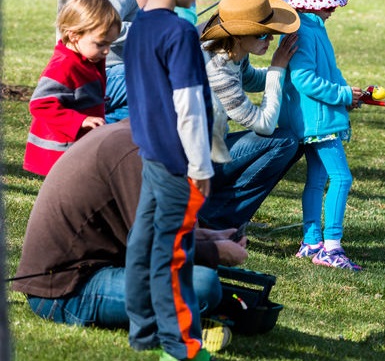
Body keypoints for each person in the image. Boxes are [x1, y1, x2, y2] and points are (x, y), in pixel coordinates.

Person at [12, 120, 247, 333]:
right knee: (202, 285)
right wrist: (218, 252)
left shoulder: (137, 137)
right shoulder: (139, 155)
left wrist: (209, 236)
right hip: (64, 291)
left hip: (77, 272)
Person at [123, 0, 214, 361]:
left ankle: (142, 333)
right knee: (173, 254)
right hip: (179, 164)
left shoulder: (140, 27)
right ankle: (182, 348)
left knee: (143, 244)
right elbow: (189, 106)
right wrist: (201, 167)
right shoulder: (180, 34)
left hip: (151, 154)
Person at [278, 0, 364, 271]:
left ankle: (311, 242)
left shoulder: (312, 28)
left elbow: (331, 73)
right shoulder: (304, 31)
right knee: (342, 177)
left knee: (317, 179)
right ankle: (331, 246)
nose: (333, 9)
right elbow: (304, 80)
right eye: (329, 3)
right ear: (314, 4)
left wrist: (351, 95)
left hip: (320, 119)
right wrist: (341, 96)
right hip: (319, 122)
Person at [198, 0, 301, 230]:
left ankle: (219, 213)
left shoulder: (234, 54)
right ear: (239, 36)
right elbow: (264, 126)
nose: (270, 41)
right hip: (194, 164)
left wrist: (293, 74)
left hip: (210, 149)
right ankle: (215, 219)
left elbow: (253, 80)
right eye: (263, 34)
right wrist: (277, 68)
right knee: (284, 141)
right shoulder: (218, 69)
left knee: (295, 141)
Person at [23, 0, 121, 176]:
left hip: (79, 146)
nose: (107, 51)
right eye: (101, 44)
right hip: (60, 151)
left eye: (110, 44)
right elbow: (40, 105)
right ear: (75, 35)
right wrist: (81, 120)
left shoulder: (89, 59)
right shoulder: (63, 67)